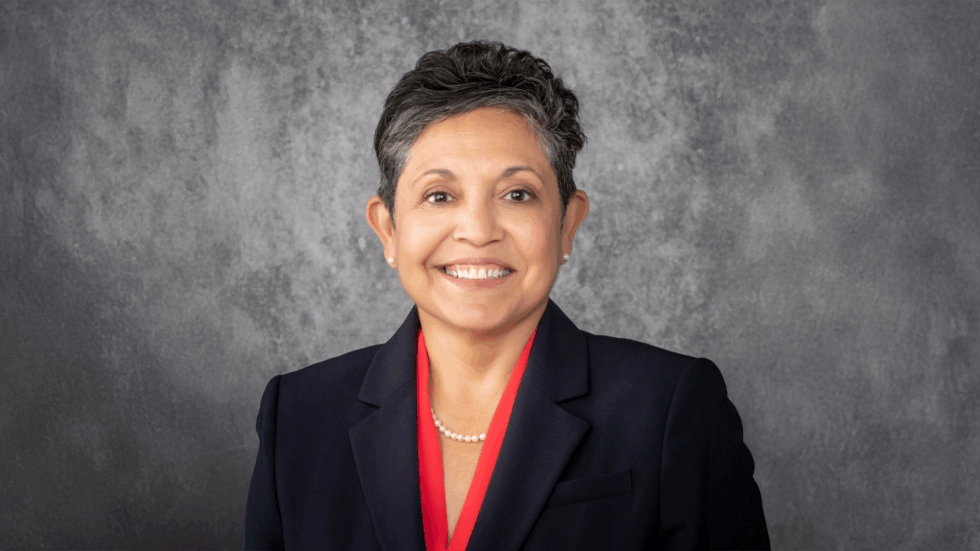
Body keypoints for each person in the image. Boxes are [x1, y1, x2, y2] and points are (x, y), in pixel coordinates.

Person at [243, 41, 769, 551]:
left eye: (517, 194)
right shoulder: (299, 416)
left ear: (567, 224)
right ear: (388, 230)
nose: (477, 230)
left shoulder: (671, 409)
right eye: (439, 195)